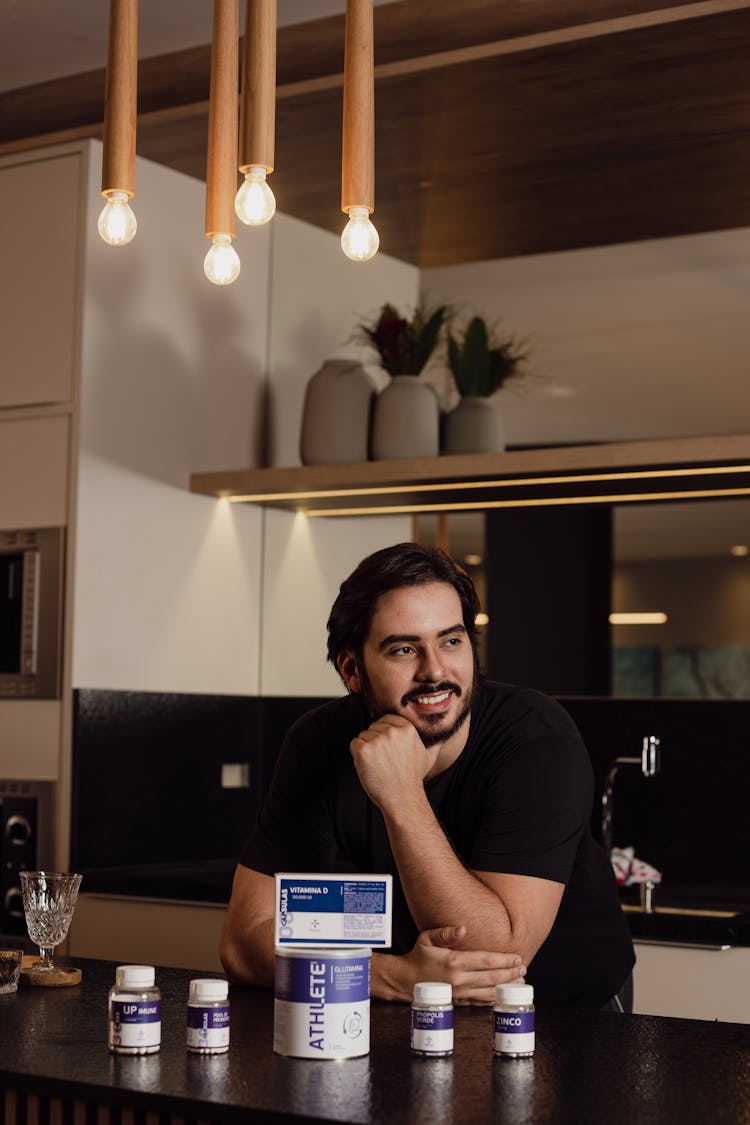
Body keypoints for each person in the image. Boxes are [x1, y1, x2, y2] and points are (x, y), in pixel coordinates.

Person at [221, 542, 635, 1009]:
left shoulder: (537, 738)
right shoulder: (317, 744)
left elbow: (495, 959)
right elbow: (242, 944)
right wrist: (394, 978)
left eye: (451, 640)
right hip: (406, 1010)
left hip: (569, 1020)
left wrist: (400, 794)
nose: (435, 670)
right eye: (403, 649)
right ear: (353, 670)